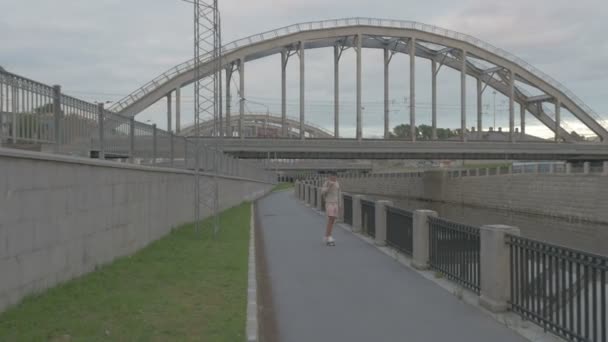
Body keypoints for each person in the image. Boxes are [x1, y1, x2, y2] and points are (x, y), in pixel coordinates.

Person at [321, 171, 340, 246]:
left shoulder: (337, 183)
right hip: (329, 203)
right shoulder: (327, 183)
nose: (334, 178)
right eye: (332, 176)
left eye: (335, 176)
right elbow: (322, 192)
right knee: (330, 219)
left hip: (335, 203)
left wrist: (340, 204)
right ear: (330, 176)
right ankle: (328, 237)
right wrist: (329, 187)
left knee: (333, 221)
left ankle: (327, 236)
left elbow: (338, 194)